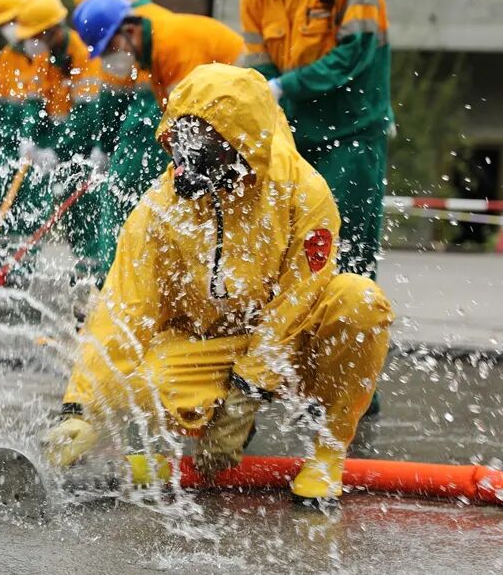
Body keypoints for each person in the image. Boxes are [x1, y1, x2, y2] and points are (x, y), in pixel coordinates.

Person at [42, 64, 394, 502]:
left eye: (204, 151)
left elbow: (297, 304)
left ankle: (328, 454)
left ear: (243, 144)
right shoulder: (160, 207)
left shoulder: (303, 193)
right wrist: (82, 410)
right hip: (209, 346)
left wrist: (246, 396)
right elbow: (122, 308)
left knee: (360, 302)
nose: (188, 167)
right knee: (139, 388)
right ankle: (211, 421)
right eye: (181, 146)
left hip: (294, 348)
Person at [207, 0, 392, 280]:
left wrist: (286, 86)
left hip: (351, 135)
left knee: (346, 256)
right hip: (295, 144)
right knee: (292, 260)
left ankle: (351, 336)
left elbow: (357, 52)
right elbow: (262, 74)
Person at [72, 0, 244, 270]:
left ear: (129, 30)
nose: (110, 60)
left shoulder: (173, 43)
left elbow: (194, 117)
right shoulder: (150, 52)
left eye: (111, 49)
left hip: (248, 104)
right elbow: (173, 116)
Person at [14, 0, 105, 282]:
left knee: (85, 213)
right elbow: (34, 104)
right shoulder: (44, 58)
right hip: (55, 147)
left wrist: (58, 150)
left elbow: (86, 116)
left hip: (86, 149)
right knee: (41, 209)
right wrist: (29, 138)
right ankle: (20, 270)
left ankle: (93, 281)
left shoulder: (84, 53)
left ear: (54, 30)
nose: (31, 41)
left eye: (36, 34)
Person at [0, 0, 47, 280]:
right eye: (3, 24)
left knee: (28, 210)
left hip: (34, 150)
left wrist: (35, 138)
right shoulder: (6, 56)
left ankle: (21, 271)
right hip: (7, 149)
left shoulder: (43, 54)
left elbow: (47, 106)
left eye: (12, 21)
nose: (8, 28)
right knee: (0, 208)